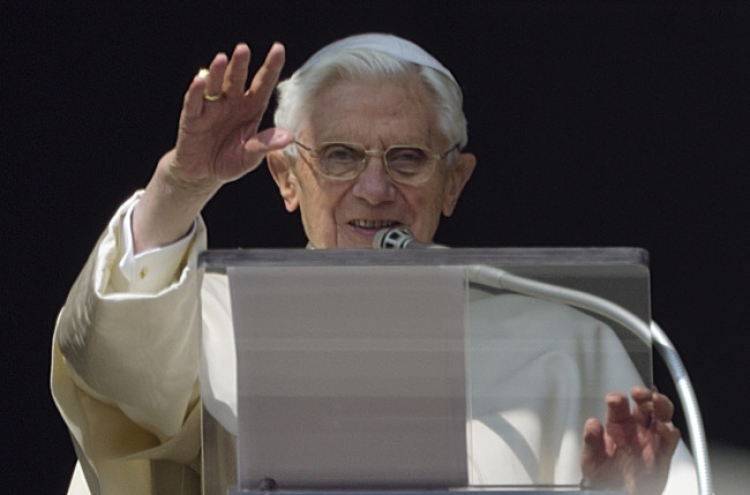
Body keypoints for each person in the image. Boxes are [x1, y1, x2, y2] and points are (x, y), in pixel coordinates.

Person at [51, 34, 697, 495]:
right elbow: (112, 381)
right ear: (285, 176)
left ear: (455, 182)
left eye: (408, 158)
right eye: (338, 156)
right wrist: (181, 186)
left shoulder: (568, 346)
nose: (375, 189)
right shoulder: (204, 321)